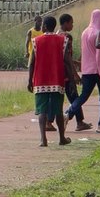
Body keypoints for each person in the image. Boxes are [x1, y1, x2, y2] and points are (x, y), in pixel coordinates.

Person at [28, 14, 72, 147]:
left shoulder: (36, 41)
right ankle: (61, 138)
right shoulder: (62, 40)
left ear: (45, 26)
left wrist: (30, 80)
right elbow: (67, 62)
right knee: (58, 110)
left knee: (42, 111)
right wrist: (71, 79)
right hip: (57, 79)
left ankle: (43, 139)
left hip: (40, 80)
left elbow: (32, 63)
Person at [70, 8, 100, 132]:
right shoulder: (99, 33)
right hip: (98, 70)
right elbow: (99, 55)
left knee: (83, 96)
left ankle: (68, 113)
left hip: (87, 70)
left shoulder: (84, 32)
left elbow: (84, 51)